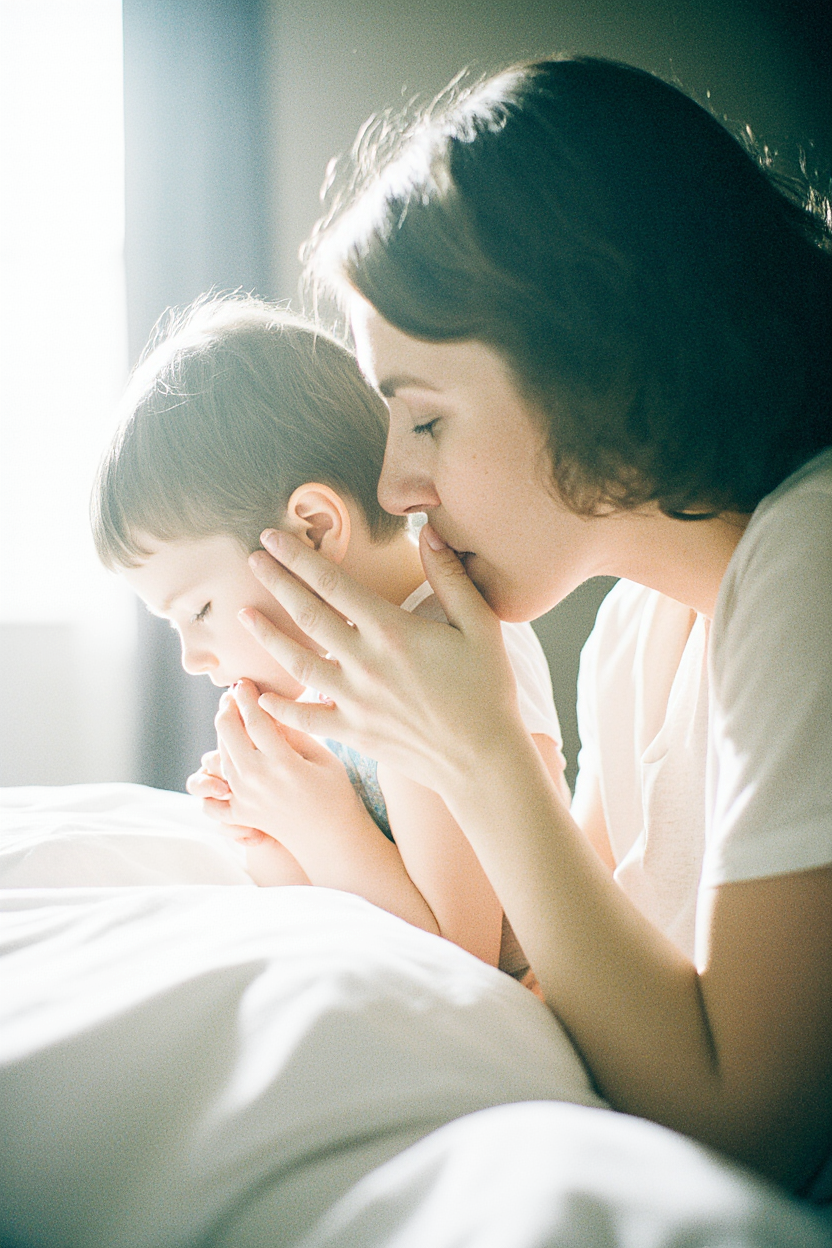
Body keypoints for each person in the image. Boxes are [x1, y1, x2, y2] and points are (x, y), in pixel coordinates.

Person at [230, 58, 832, 1198]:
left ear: (597, 362)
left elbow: (745, 1129)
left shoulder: (816, 558)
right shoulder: (636, 635)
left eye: (424, 418)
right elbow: (564, 997)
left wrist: (486, 752)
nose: (398, 486)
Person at [90, 294, 567, 980]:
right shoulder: (345, 669)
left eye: (197, 612)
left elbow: (459, 959)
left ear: (312, 531)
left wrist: (319, 823)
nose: (194, 658)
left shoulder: (434, 653)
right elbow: (333, 906)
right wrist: (266, 827)